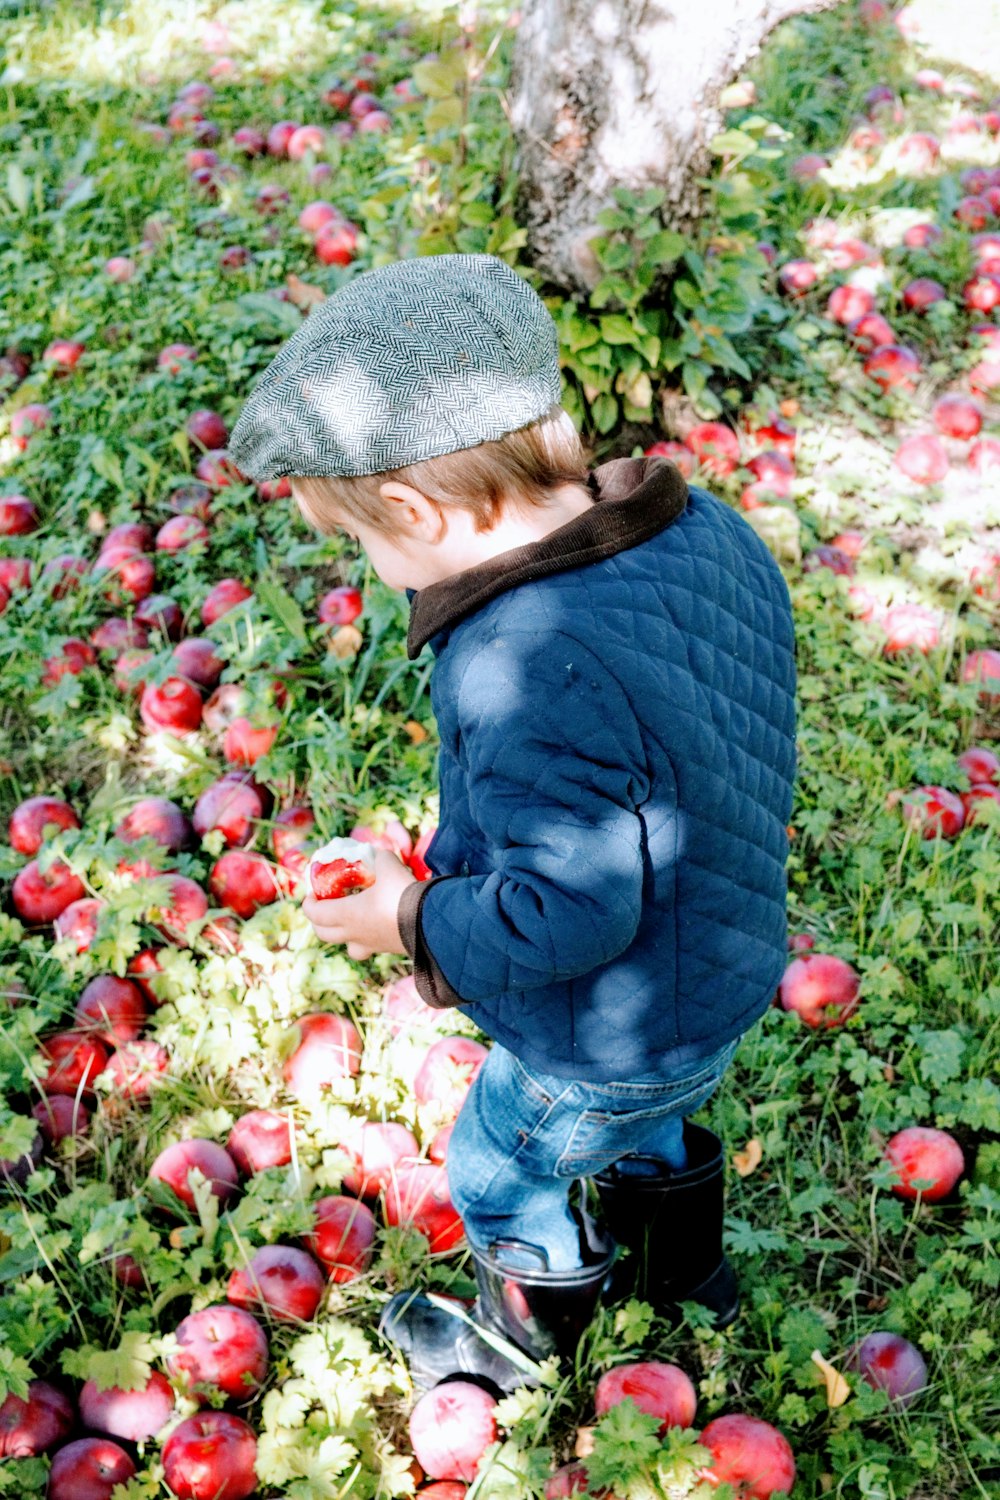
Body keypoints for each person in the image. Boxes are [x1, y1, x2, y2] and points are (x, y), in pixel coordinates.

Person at [228, 253, 796, 1396]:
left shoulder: (524, 661)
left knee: (498, 1165)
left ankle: (527, 1342)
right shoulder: (701, 531)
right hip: (720, 967)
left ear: (411, 508)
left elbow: (570, 913)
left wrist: (411, 918)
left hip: (603, 1027)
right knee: (652, 1122)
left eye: (361, 540)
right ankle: (684, 1274)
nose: (372, 565)